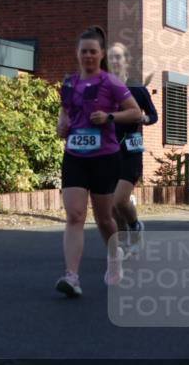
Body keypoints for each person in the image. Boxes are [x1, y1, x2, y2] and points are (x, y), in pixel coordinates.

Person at [55, 27, 142, 298]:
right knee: (75, 215)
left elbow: (135, 113)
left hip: (105, 157)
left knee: (104, 218)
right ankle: (72, 277)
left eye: (93, 51)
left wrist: (109, 117)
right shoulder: (69, 84)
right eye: (84, 51)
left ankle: (113, 255)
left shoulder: (111, 83)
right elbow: (63, 118)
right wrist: (62, 125)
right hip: (75, 157)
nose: (88, 56)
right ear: (77, 54)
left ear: (102, 54)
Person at [107, 42, 158, 255]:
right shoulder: (105, 91)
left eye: (118, 57)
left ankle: (136, 227)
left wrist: (143, 118)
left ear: (127, 61)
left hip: (131, 151)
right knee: (112, 206)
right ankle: (123, 243)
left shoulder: (138, 90)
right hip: (109, 152)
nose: (114, 62)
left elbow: (154, 115)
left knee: (120, 200)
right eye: (111, 58)